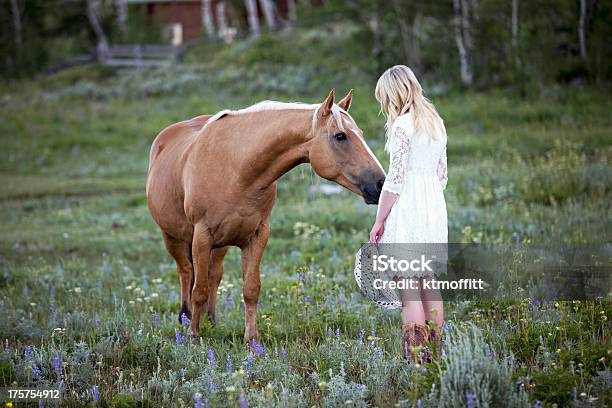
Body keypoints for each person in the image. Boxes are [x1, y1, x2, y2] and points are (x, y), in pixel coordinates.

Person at [355, 65, 448, 361]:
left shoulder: (402, 126)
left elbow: (394, 181)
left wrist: (380, 219)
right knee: (429, 284)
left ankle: (417, 360)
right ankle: (437, 354)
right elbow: (442, 175)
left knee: (408, 291)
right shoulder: (436, 123)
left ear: (392, 95)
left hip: (407, 209)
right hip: (433, 209)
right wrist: (428, 199)